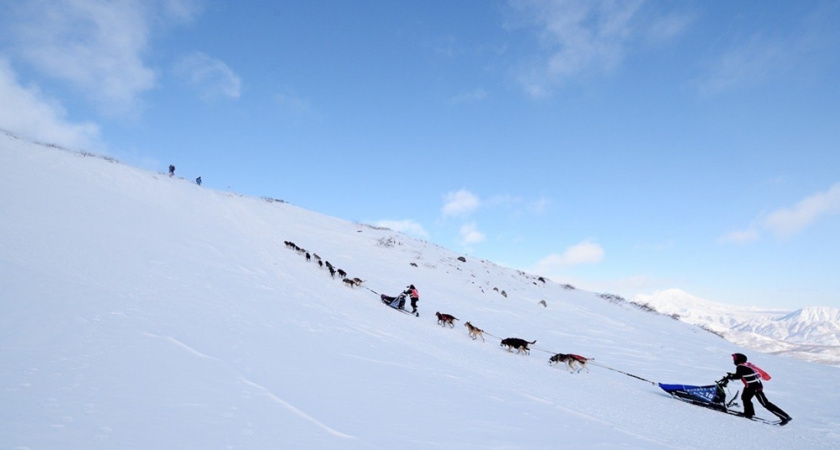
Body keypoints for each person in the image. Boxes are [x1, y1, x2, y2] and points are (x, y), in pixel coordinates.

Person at [725, 353, 792, 425]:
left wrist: (730, 376)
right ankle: (749, 413)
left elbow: (738, 376)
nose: (733, 360)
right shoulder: (745, 365)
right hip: (750, 386)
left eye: (734, 359)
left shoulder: (740, 367)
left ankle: (785, 417)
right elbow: (741, 375)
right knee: (745, 398)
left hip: (755, 387)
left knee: (765, 403)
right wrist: (731, 375)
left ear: (739, 360)